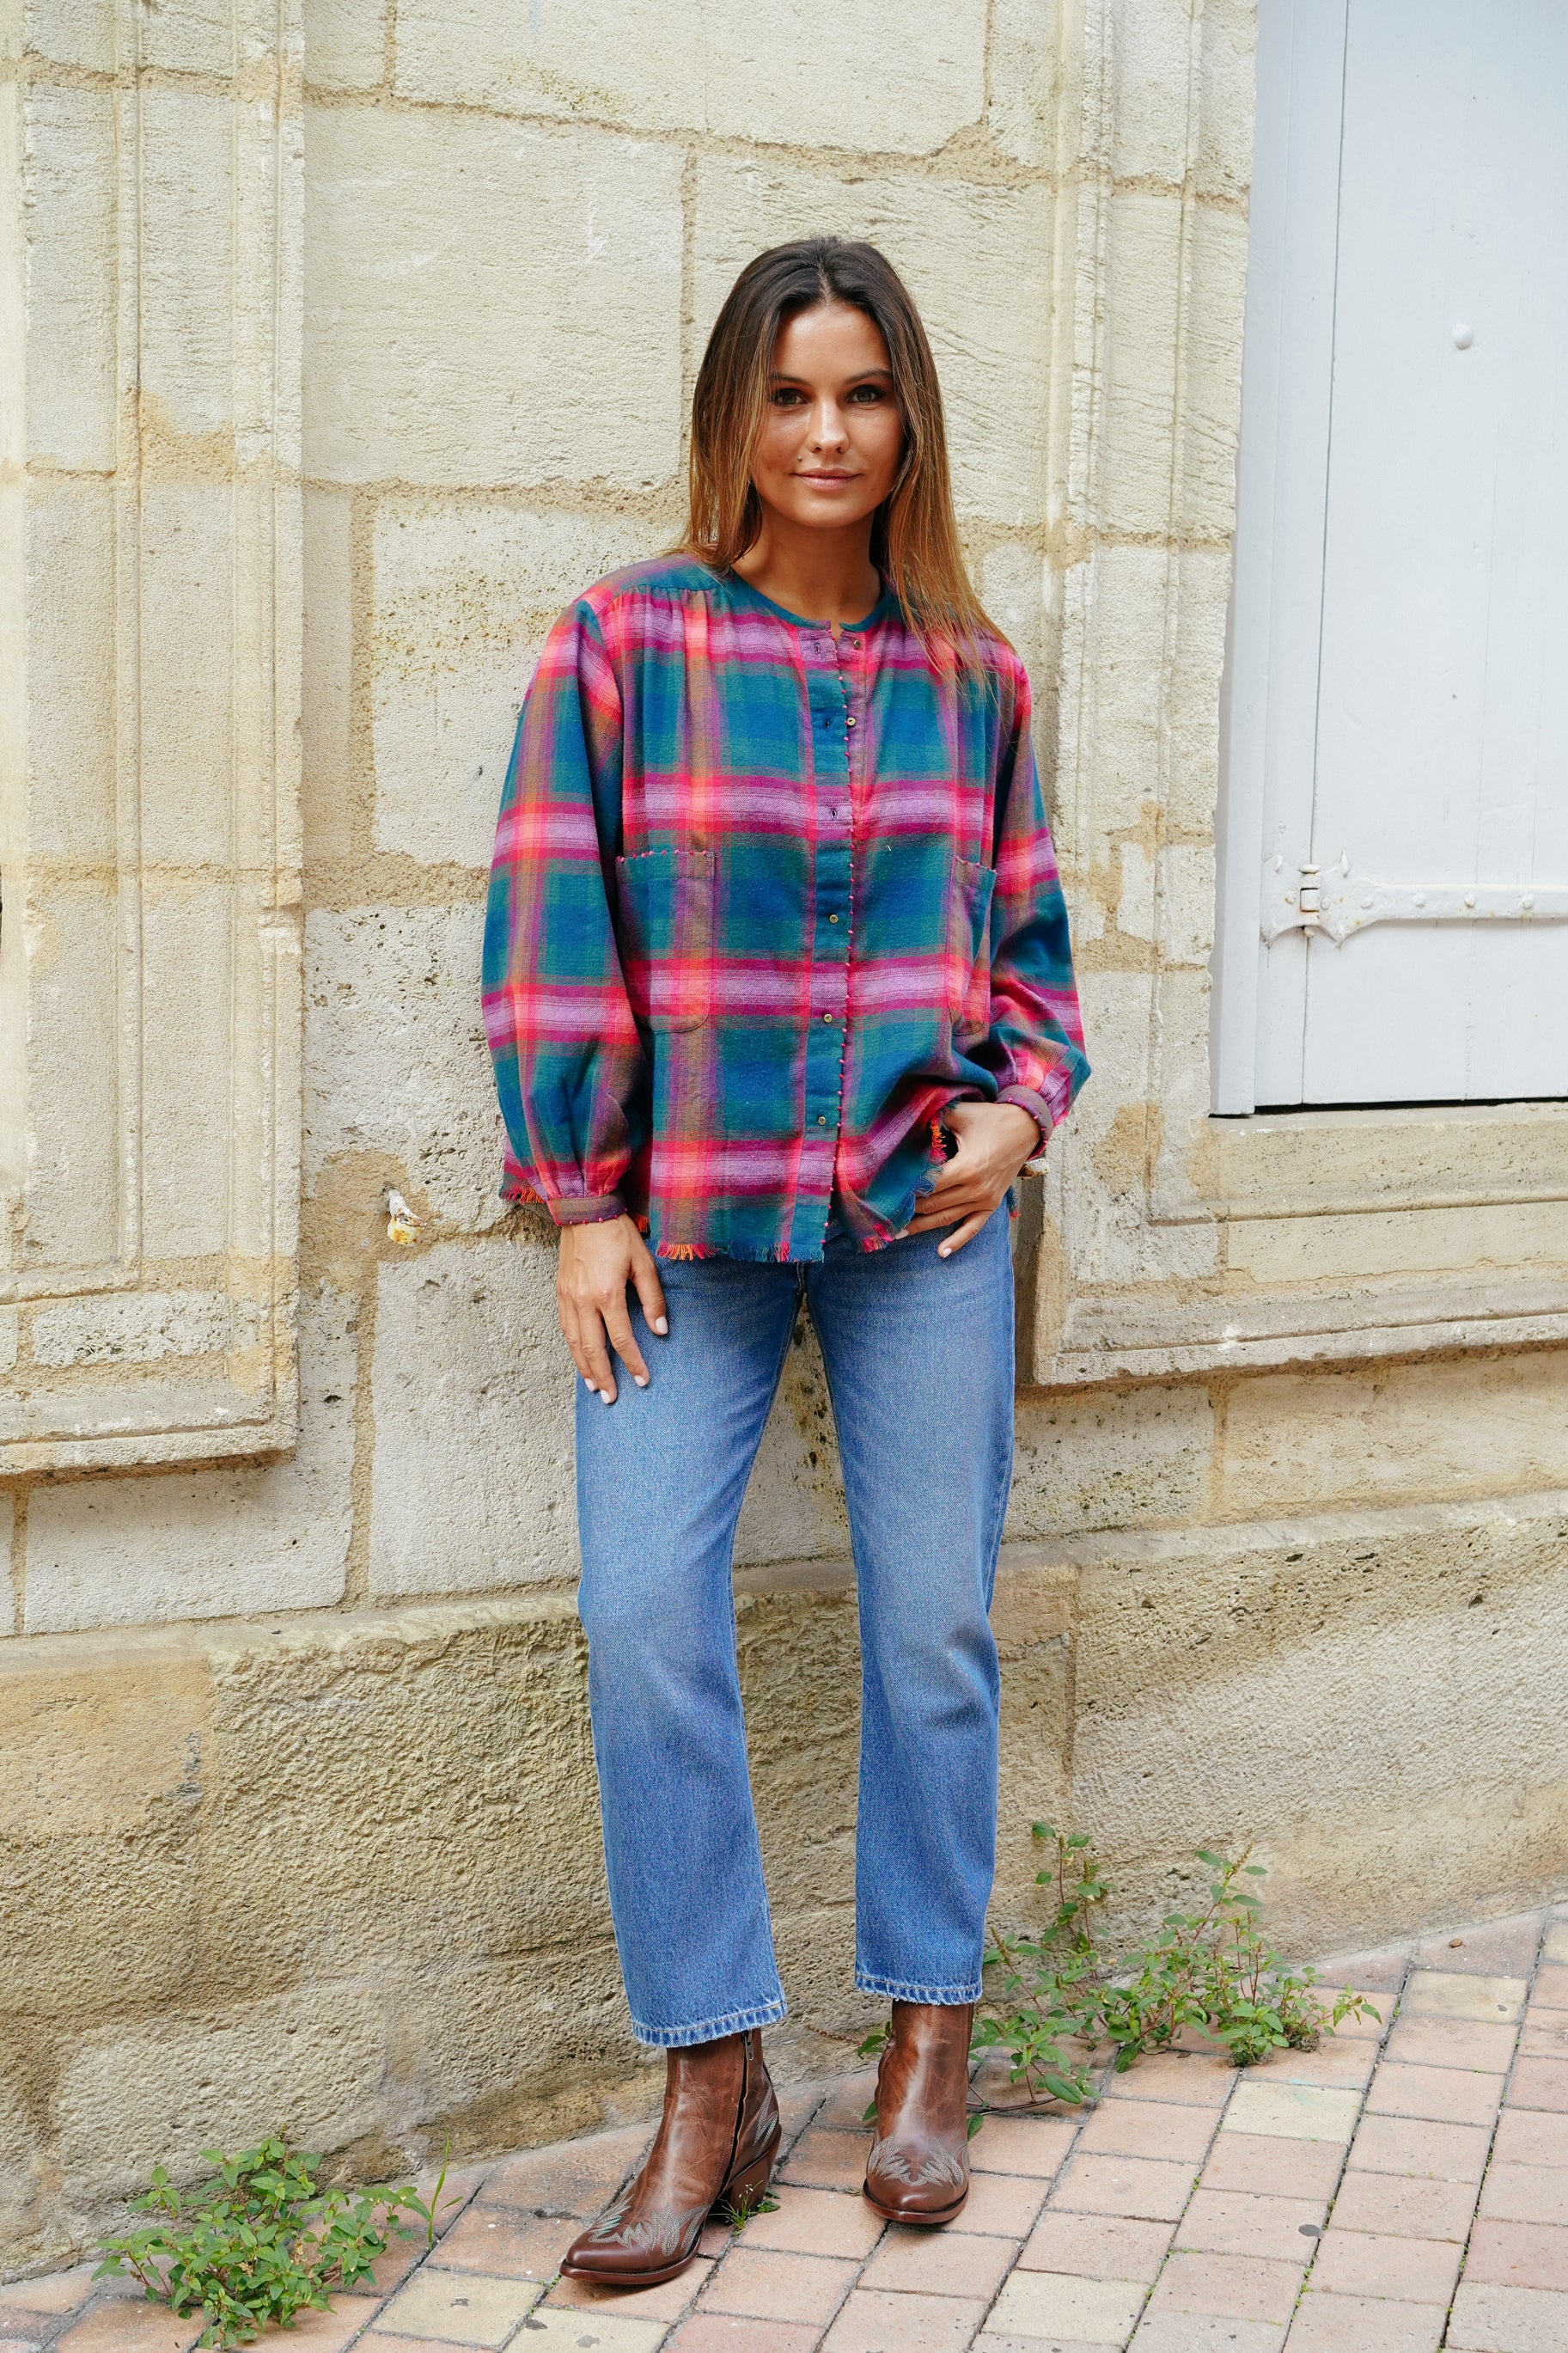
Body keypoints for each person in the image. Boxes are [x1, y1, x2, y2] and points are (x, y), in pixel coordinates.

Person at [482, 236, 1089, 2289]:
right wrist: (577, 1199)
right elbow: (549, 926)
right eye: (789, 393)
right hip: (684, 1229)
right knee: (646, 1612)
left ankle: (928, 2037)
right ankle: (712, 2077)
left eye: (862, 393)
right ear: (734, 415)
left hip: (919, 1221)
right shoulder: (624, 643)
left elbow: (1032, 951)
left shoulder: (974, 674)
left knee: (933, 1623)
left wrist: (1021, 1107)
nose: (826, 433)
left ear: (909, 417)